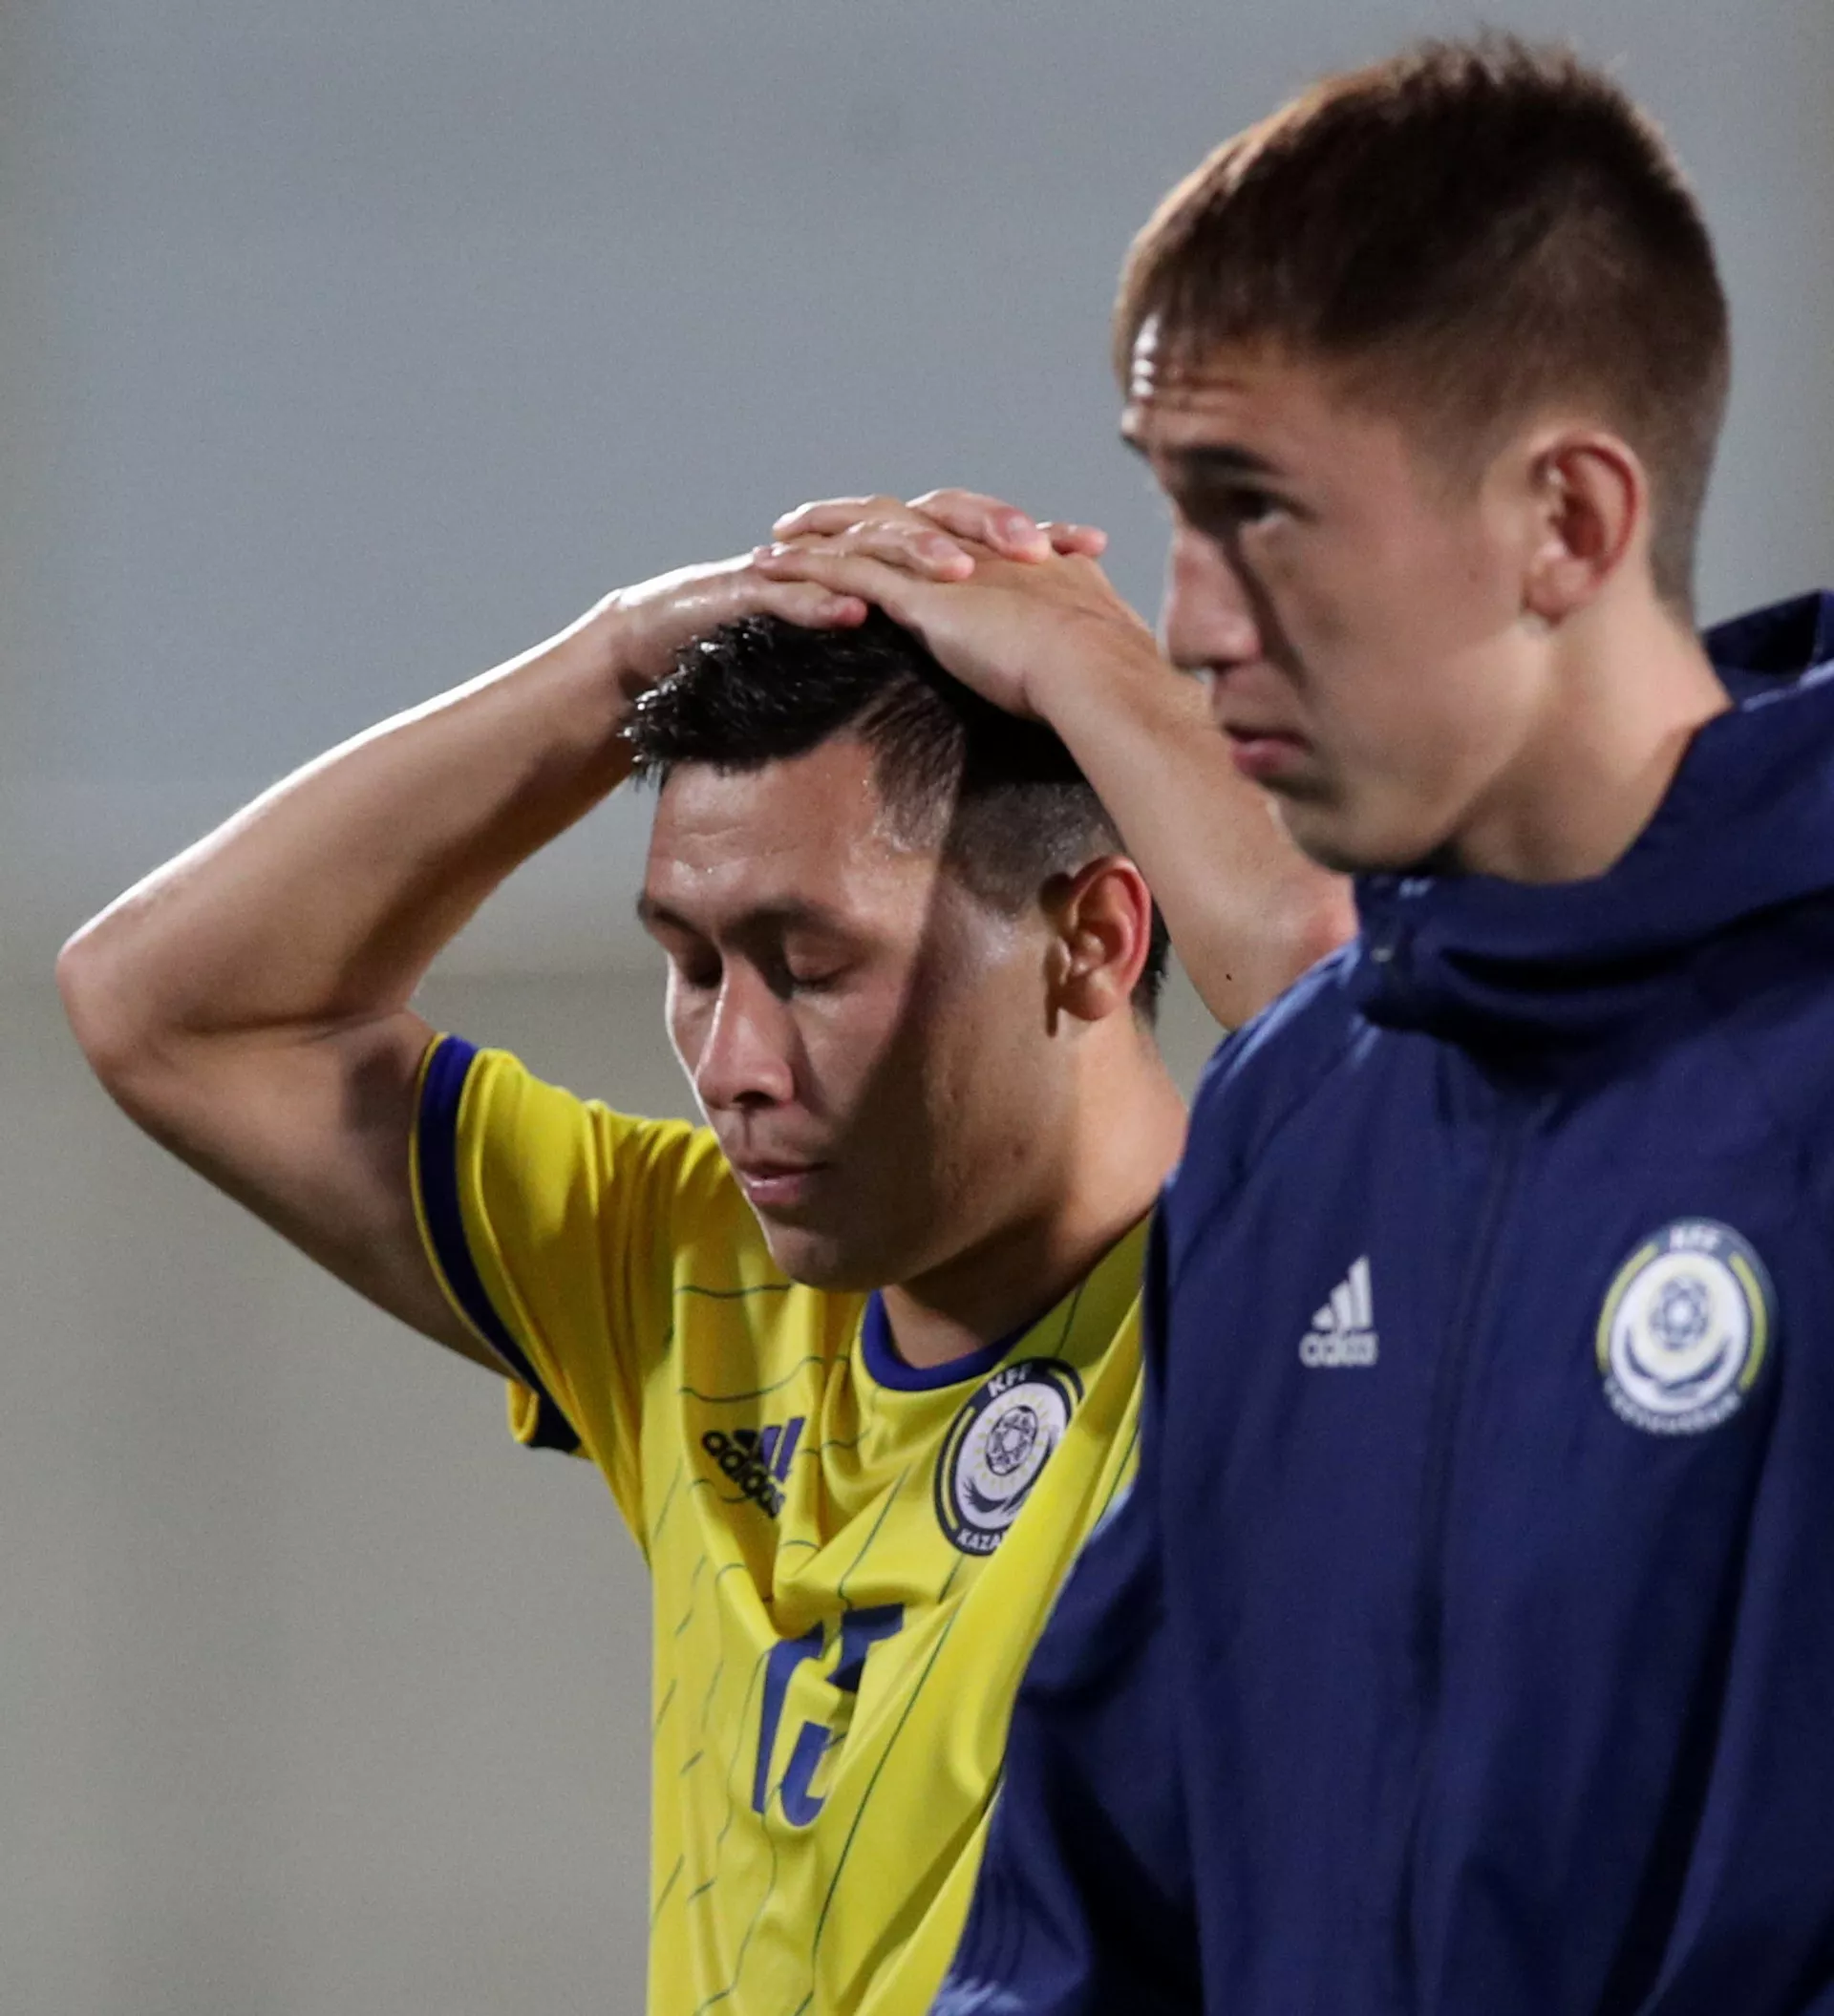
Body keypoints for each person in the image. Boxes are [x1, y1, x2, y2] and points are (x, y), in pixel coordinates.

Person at [749, 36, 1834, 2016]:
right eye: (1172, 506)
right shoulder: (1290, 1121)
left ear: (1568, 522)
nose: (1189, 621)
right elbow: (1100, 1903)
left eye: (1256, 510)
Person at [56, 532, 1348, 2013]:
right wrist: (610, 659)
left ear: (1095, 939)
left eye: (807, 965)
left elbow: (1363, 1005)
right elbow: (165, 1006)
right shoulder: (681, 1267)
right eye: (691, 963)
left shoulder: (1287, 1314)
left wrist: (1092, 668)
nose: (732, 1062)